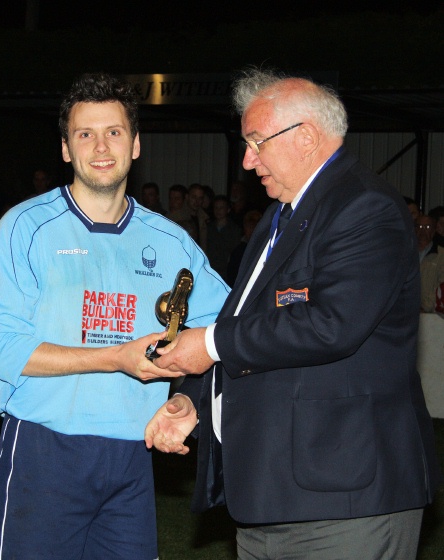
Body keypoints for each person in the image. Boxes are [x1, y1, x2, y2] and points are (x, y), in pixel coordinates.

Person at [145, 69, 441, 560]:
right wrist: (196, 400)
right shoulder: (280, 215)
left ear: (305, 137)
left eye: (256, 142)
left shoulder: (365, 208)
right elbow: (244, 322)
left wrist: (208, 346)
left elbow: (331, 325)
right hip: (273, 495)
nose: (246, 160)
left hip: (344, 500)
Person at [0, 72, 229, 560]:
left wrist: (189, 401)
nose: (100, 146)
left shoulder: (172, 242)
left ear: (135, 144)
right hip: (43, 451)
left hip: (133, 455)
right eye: (84, 134)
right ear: (66, 149)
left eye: (113, 131)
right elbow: (6, 349)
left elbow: (226, 332)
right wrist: (115, 357)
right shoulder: (25, 228)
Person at [206, 194, 242, 281]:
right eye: (216, 208)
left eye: (221, 208)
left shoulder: (235, 229)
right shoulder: (208, 227)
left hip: (226, 272)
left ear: (228, 209)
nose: (218, 211)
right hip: (209, 269)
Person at [226, 208, 262, 287]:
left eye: (255, 227)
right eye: (249, 227)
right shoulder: (238, 251)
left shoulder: (266, 249)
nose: (252, 230)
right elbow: (232, 276)